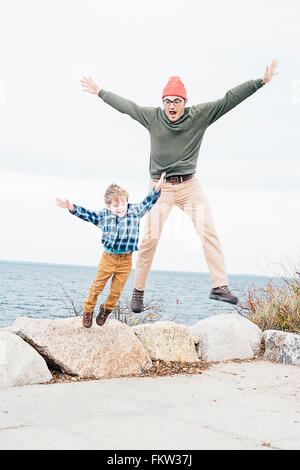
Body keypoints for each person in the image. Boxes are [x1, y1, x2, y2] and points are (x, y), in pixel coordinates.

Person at [80, 59, 278, 312]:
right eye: (167, 101)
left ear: (185, 102)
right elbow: (127, 107)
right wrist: (100, 92)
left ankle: (219, 286)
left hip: (189, 187)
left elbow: (229, 99)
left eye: (176, 101)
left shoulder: (200, 115)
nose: (171, 106)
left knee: (208, 231)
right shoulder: (153, 117)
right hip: (159, 190)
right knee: (150, 239)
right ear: (163, 102)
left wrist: (260, 82)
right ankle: (138, 292)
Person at [55, 173, 165, 327]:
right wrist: (71, 207)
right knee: (97, 286)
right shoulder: (104, 216)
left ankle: (106, 310)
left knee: (116, 291)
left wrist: (156, 189)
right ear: (108, 206)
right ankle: (88, 311)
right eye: (115, 205)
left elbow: (148, 202)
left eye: (123, 204)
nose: (120, 208)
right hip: (108, 257)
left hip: (126, 260)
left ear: (127, 202)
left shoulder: (135, 211)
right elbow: (88, 215)